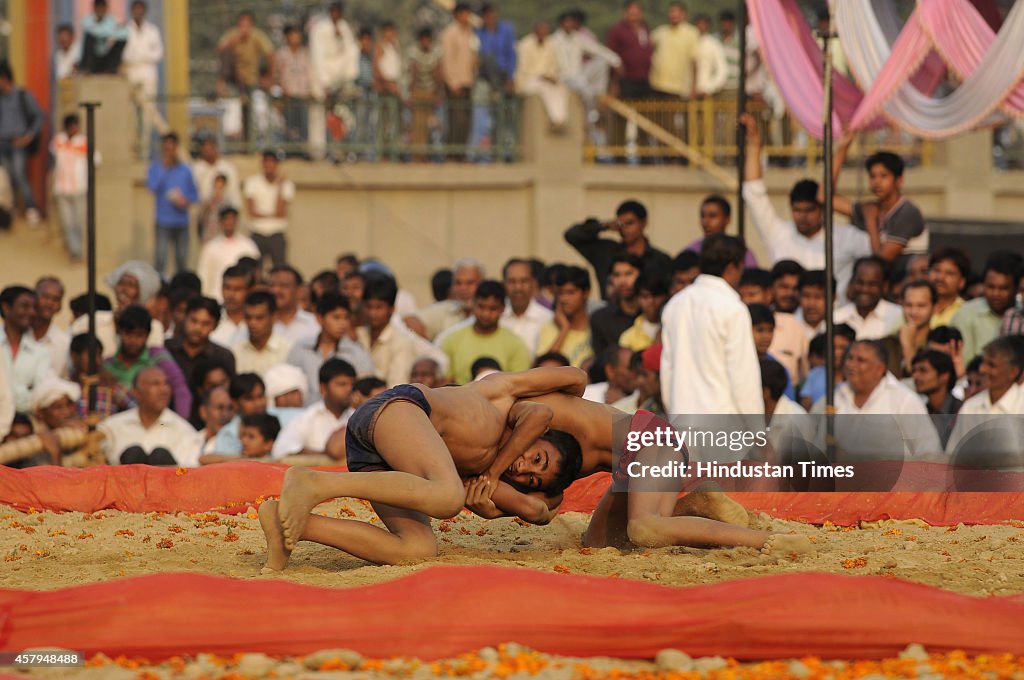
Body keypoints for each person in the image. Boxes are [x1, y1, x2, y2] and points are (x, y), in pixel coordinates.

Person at [262, 366, 589, 569]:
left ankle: (291, 524)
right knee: (448, 497)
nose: (521, 467)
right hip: (398, 410)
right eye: (537, 458)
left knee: (418, 548)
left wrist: (527, 505)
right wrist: (492, 475)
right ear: (542, 435)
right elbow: (573, 381)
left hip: (380, 454)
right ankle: (317, 483)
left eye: (530, 477)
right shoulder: (504, 398)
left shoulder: (484, 469)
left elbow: (531, 508)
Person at [740, 113, 870, 301]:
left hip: (835, 323)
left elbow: (882, 248)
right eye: (797, 210)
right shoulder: (778, 233)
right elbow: (754, 194)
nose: (802, 216)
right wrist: (754, 146)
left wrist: (842, 149)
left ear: (822, 209)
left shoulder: (846, 237)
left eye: (809, 210)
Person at [661, 235, 763, 414]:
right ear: (733, 268)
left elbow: (667, 370)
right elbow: (743, 377)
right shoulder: (733, 309)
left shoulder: (675, 304)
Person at [812, 340, 941, 458]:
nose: (851, 365)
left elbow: (928, 451)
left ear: (880, 368)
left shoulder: (904, 401)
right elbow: (820, 449)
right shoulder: (836, 397)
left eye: (861, 360)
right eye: (849, 358)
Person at [830, 141, 928, 271]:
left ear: (899, 180)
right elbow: (824, 198)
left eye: (883, 176)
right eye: (872, 176)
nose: (877, 182)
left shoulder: (907, 212)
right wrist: (842, 149)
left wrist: (870, 221)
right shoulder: (871, 207)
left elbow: (881, 263)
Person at [565, 200, 672, 301]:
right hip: (610, 316)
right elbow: (572, 235)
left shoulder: (661, 260)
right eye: (620, 224)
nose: (624, 229)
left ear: (644, 223)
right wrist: (603, 226)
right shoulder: (606, 252)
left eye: (629, 223)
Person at [99, 367, 200, 466]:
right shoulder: (111, 427)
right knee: (133, 455)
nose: (164, 390)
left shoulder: (185, 431)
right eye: (155, 384)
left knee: (160, 456)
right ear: (136, 392)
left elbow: (188, 473)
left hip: (168, 482)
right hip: (121, 482)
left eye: (167, 384)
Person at [103, 305, 191, 418]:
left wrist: (180, 425)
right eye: (129, 334)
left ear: (147, 335)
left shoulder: (157, 356)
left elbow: (180, 389)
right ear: (119, 332)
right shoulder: (107, 366)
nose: (133, 341)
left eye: (139, 335)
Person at [287, 292, 375, 403]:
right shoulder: (301, 348)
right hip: (305, 415)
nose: (343, 324)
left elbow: (366, 390)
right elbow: (287, 384)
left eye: (346, 318)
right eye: (336, 317)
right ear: (319, 318)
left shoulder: (356, 352)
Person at [945, 337, 1024, 455]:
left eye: (991, 365)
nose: (982, 369)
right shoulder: (970, 407)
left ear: (1013, 372)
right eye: (983, 362)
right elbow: (952, 456)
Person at [441, 281, 530, 385]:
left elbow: (519, 386)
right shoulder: (452, 340)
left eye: (493, 308)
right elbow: (445, 384)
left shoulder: (516, 345)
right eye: (481, 307)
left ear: (503, 308)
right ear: (473, 303)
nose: (486, 314)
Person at [271, 358, 355, 460]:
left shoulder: (357, 417)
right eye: (342, 384)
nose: (349, 389)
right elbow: (281, 450)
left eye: (352, 385)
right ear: (323, 388)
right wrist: (325, 457)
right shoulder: (308, 417)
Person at [952, 253, 1022, 366]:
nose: (996, 294)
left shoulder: (1020, 313)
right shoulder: (966, 314)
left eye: (1004, 288)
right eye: (990, 287)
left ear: (1016, 289)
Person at [165, 296, 236, 406]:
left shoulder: (223, 356)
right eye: (193, 321)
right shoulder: (166, 349)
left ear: (215, 326)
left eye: (206, 323)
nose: (198, 328)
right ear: (185, 318)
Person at [147, 133, 198, 275]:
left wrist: (185, 201)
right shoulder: (155, 168)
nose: (169, 150)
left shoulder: (185, 170)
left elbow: (194, 195)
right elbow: (152, 187)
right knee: (160, 259)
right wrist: (165, 169)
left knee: (182, 261)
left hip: (181, 222)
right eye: (166, 147)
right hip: (163, 221)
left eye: (172, 147)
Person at [0, 61, 44, 225]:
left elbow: (39, 116)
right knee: (7, 178)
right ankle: (10, 210)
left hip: (18, 143)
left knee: (20, 175)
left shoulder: (23, 95)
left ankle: (31, 208)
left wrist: (28, 136)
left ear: (4, 78)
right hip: (2, 143)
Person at [51, 114, 97, 261]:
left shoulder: (84, 142)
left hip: (78, 189)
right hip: (62, 189)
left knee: (78, 222)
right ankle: (74, 252)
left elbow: (96, 159)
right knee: (67, 223)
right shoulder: (58, 141)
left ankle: (78, 251)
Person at [121, 0, 164, 156]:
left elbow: (158, 54)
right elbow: (125, 56)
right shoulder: (125, 30)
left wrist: (138, 56)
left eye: (141, 10)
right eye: (135, 9)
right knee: (131, 115)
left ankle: (144, 152)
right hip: (131, 76)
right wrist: (143, 56)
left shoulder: (153, 31)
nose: (138, 12)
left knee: (148, 115)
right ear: (132, 11)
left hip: (148, 77)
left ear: (145, 11)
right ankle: (132, 152)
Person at [1, 286, 52, 412]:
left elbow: (39, 395)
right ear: (6, 308)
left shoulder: (40, 352)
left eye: (34, 308)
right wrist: (24, 390)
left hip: (24, 421)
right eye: (24, 306)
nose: (31, 312)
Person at [409, 258, 484, 340]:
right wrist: (425, 346)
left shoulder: (494, 313)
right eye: (458, 283)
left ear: (483, 284)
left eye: (470, 283)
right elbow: (408, 320)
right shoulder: (446, 309)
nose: (463, 288)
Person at [244, 150, 295, 269]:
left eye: (272, 161)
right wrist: (271, 215)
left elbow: (281, 212)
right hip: (257, 232)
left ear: (277, 164)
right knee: (255, 269)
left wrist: (279, 188)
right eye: (266, 161)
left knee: (280, 269)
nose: (269, 165)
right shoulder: (252, 182)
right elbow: (252, 212)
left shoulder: (286, 184)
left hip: (276, 233)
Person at [536, 266, 594, 368]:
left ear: (586, 293)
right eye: (560, 293)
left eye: (571, 292)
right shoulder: (548, 328)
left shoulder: (597, 326)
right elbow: (543, 370)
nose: (564, 299)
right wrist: (564, 329)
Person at [196, 207, 259, 300]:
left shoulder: (248, 245)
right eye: (226, 219)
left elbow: (256, 274)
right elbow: (204, 274)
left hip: (242, 299)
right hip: (216, 297)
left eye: (232, 219)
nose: (229, 222)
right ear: (220, 222)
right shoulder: (210, 247)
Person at [833, 257, 903, 340]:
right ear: (851, 282)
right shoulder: (836, 318)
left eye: (872, 284)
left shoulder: (899, 316)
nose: (865, 289)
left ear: (884, 286)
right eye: (860, 282)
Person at [440, 4, 478, 157]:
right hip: (455, 84)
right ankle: (452, 155)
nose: (466, 17)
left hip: (468, 82)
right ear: (457, 15)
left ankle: (461, 154)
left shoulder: (470, 33)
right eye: (464, 14)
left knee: (467, 121)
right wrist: (452, 82)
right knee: (456, 121)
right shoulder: (450, 33)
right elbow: (447, 61)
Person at [516, 21, 568, 129]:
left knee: (561, 89)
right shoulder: (525, 45)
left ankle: (560, 120)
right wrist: (541, 76)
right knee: (546, 90)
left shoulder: (551, 45)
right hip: (528, 80)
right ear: (535, 31)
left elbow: (553, 65)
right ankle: (555, 119)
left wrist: (551, 77)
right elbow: (522, 69)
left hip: (546, 79)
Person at [275, 25, 320, 148]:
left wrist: (312, 90)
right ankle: (290, 150)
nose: (296, 38)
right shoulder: (281, 54)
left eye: (298, 35)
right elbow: (277, 76)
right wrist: (282, 90)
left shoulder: (305, 54)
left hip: (303, 96)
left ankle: (303, 150)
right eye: (293, 35)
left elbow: (311, 74)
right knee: (289, 125)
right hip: (289, 97)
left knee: (303, 125)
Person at [68, 334, 132, 419]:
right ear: (74, 356)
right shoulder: (65, 387)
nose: (97, 360)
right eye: (91, 355)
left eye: (99, 355)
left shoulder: (110, 385)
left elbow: (135, 407)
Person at [880, 280, 935, 377]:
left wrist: (907, 345)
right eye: (909, 305)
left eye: (921, 306)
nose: (914, 312)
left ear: (934, 307)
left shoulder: (939, 343)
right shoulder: (886, 344)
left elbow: (921, 380)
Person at [590, 254, 642, 357]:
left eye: (628, 274)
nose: (622, 281)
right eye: (617, 275)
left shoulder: (654, 314)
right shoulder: (600, 319)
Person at [683, 195, 756, 267]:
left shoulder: (743, 254)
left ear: (727, 219)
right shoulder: (692, 251)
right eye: (703, 216)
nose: (706, 222)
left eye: (712, 216)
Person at [500, 258, 552, 358]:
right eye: (512, 281)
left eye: (524, 281)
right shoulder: (494, 316)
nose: (518, 288)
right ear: (504, 283)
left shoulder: (547, 318)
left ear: (533, 283)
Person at [233, 291, 292, 378]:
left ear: (274, 317)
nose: (252, 323)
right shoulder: (235, 352)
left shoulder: (288, 351)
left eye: (259, 318)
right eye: (248, 317)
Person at [216, 10, 275, 96]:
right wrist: (233, 42)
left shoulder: (257, 35)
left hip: (252, 76)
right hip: (235, 75)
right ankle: (222, 83)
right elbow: (219, 50)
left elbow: (271, 53)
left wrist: (269, 77)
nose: (244, 28)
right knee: (226, 51)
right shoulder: (233, 34)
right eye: (241, 25)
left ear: (251, 25)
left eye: (247, 25)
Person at [911, 349, 961, 449]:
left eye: (923, 370)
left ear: (944, 376)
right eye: (914, 371)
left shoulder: (962, 411)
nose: (915, 376)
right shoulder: (919, 410)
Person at [650, 2, 699, 102]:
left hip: (678, 87)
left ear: (684, 15)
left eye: (677, 12)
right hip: (657, 84)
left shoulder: (691, 33)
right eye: (671, 12)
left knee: (671, 116)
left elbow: (694, 61)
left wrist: (694, 87)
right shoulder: (660, 32)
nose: (673, 15)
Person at [407, 28, 443, 159]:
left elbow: (438, 74)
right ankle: (417, 156)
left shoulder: (435, 53)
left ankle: (427, 155)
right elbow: (413, 74)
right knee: (418, 125)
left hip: (431, 92)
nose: (426, 42)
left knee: (431, 125)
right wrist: (411, 94)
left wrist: (437, 94)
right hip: (418, 92)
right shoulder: (414, 52)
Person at [749, 303, 795, 401]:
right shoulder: (735, 364)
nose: (766, 337)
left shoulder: (779, 370)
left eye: (770, 330)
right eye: (760, 330)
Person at [619, 269, 670, 351]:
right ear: (637, 299)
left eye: (656, 295)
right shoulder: (628, 338)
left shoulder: (678, 327)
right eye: (645, 297)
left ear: (666, 296)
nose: (651, 301)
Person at [269, 266, 319, 345]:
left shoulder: (315, 324)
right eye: (272, 285)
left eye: (283, 285)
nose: (276, 290)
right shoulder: (257, 324)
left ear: (299, 290)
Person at [32, 277, 70, 379]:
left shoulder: (64, 343)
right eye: (45, 297)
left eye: (56, 299)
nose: (50, 303)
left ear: (60, 306)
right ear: (33, 297)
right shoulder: (14, 334)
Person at [192, 137, 242, 215]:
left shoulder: (228, 169)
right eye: (205, 150)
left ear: (216, 149)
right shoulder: (196, 169)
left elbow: (234, 192)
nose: (208, 153)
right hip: (204, 213)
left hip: (225, 213)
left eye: (211, 149)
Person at [79, 0, 128, 74]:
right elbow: (92, 31)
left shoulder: (110, 19)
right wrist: (111, 30)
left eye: (103, 9)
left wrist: (100, 29)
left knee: (121, 42)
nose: (100, 11)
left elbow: (124, 34)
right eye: (98, 8)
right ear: (94, 8)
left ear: (106, 9)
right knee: (89, 37)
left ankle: (112, 68)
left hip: (105, 57)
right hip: (92, 59)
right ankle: (86, 68)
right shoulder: (87, 19)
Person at [210, 265, 251, 348]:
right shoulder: (211, 319)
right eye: (227, 288)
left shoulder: (256, 320)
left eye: (237, 289)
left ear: (248, 290)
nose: (231, 294)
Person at [693, 14, 727, 98]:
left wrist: (709, 88)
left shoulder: (713, 44)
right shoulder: (689, 42)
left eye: (703, 24)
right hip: (687, 93)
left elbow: (722, 70)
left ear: (708, 26)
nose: (701, 26)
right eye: (699, 24)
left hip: (705, 93)